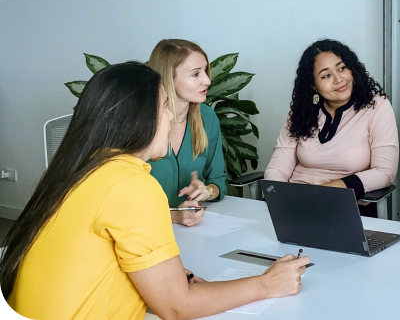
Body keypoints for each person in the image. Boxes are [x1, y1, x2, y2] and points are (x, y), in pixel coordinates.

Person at [0, 62, 309, 319]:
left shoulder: (80, 170)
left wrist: (167, 279)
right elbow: (176, 307)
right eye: (164, 106)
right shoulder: (131, 185)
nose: (173, 115)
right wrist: (267, 284)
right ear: (137, 117)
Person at [264, 39, 399, 206]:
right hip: (294, 202)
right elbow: (276, 169)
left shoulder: (376, 107)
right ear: (313, 85)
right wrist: (279, 197)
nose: (338, 79)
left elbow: (384, 173)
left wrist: (323, 192)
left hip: (344, 204)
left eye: (342, 68)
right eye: (326, 75)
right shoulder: (301, 113)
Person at [148, 39, 227, 227]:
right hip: (145, 232)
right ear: (168, 77)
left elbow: (218, 180)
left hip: (193, 230)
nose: (207, 80)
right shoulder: (139, 123)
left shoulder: (207, 117)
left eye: (205, 71)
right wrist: (174, 216)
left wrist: (208, 190)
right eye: (195, 74)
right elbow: (118, 204)